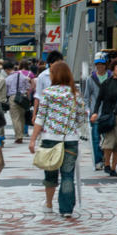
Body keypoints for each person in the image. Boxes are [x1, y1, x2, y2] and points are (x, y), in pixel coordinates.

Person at [29, 61, 85, 217]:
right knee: (68, 175)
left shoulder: (47, 93)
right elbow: (81, 119)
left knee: (50, 174)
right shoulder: (75, 94)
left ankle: (48, 204)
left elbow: (40, 118)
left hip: (50, 140)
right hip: (70, 140)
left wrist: (33, 139)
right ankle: (66, 209)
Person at [90, 58, 117, 177]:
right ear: (113, 69)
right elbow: (99, 99)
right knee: (108, 143)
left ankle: (113, 168)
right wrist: (95, 112)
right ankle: (107, 164)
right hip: (108, 116)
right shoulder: (106, 84)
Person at [83, 55, 112, 170]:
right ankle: (98, 161)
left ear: (105, 64)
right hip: (95, 114)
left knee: (108, 139)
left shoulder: (111, 77)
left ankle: (107, 160)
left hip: (108, 113)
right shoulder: (91, 79)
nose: (99, 66)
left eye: (102, 64)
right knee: (95, 139)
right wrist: (87, 110)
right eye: (97, 64)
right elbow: (86, 97)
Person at [32, 50, 63, 124]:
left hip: (62, 111)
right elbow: (38, 96)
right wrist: (34, 114)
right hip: (46, 111)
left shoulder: (65, 75)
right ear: (50, 64)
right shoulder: (42, 76)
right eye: (56, 64)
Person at [5, 62, 30, 144]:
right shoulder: (23, 76)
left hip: (13, 97)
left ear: (7, 69)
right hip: (22, 97)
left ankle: (18, 137)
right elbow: (28, 87)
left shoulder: (8, 79)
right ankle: (21, 135)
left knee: (15, 118)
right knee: (22, 117)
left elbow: (6, 91)